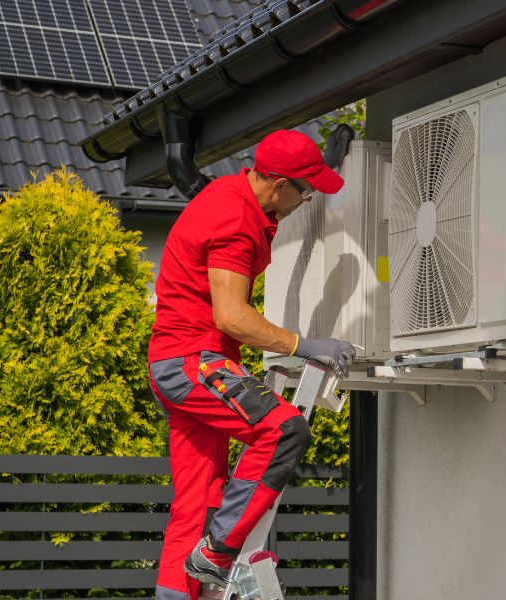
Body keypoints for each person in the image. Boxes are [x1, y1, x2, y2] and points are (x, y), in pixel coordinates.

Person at [147, 129, 356, 600]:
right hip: (193, 362)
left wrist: (325, 166)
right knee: (284, 431)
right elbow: (232, 315)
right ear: (279, 185)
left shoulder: (235, 193)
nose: (307, 199)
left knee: (197, 504)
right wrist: (304, 345)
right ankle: (216, 554)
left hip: (173, 362)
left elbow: (289, 181)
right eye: (305, 190)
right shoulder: (236, 220)